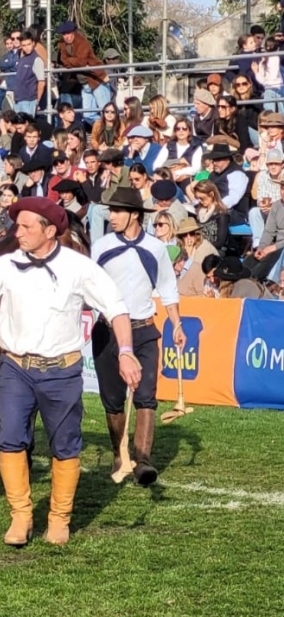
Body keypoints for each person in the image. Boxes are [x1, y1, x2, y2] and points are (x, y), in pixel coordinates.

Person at [0, 196, 140, 546]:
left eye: (26, 226)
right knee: (9, 441)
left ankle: (59, 518)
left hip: (62, 371)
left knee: (65, 446)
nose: (16, 232)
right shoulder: (5, 265)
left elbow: (117, 309)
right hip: (15, 368)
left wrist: (125, 352)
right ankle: (21, 516)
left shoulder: (79, 267)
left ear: (50, 231)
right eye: (17, 225)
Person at [91, 187, 186, 487]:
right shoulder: (101, 246)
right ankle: (120, 455)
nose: (111, 216)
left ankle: (143, 460)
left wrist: (177, 325)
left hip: (144, 329)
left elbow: (168, 289)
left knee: (146, 395)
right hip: (107, 333)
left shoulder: (156, 248)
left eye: (117, 211)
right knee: (113, 400)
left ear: (134, 215)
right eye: (110, 210)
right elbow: (87, 286)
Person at [56, 20, 110, 124]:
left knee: (107, 112)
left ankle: (111, 132)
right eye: (64, 34)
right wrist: (75, 62)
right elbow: (64, 61)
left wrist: (72, 62)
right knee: (88, 115)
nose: (66, 36)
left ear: (73, 32)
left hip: (97, 79)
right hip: (84, 84)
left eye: (68, 33)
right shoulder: (62, 44)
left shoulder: (82, 42)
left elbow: (81, 61)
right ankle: (100, 130)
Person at [244, 180, 284, 281]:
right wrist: (262, 247)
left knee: (267, 263)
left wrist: (273, 248)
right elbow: (269, 231)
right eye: (282, 188)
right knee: (249, 262)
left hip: (280, 248)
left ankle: (269, 285)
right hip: (276, 246)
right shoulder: (277, 206)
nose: (283, 192)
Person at [13, 31, 45, 116]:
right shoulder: (22, 59)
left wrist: (37, 101)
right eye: (24, 45)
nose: (27, 47)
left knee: (27, 127)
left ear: (33, 43)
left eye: (29, 44)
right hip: (18, 99)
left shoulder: (36, 60)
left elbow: (41, 82)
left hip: (29, 101)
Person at [193, 180, 230, 251]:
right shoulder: (198, 211)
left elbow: (220, 242)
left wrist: (201, 247)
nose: (200, 201)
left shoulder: (221, 214)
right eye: (198, 198)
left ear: (212, 194)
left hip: (215, 250)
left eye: (202, 198)